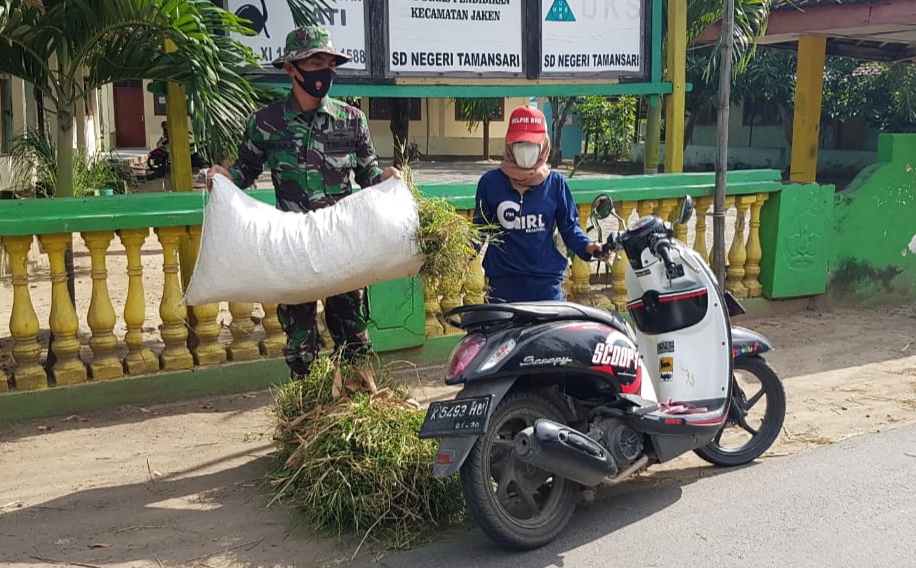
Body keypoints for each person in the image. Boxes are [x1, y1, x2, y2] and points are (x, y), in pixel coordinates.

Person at [208, 26, 399, 380]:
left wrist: (385, 179)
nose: (324, 70)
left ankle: (354, 409)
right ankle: (308, 411)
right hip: (293, 250)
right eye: (315, 61)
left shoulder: (352, 120)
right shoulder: (266, 124)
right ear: (291, 69)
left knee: (353, 339)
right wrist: (226, 177)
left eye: (329, 62)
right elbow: (245, 171)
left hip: (342, 247)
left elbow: (368, 174)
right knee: (301, 345)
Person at [473, 105, 605, 304]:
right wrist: (458, 254)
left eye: (532, 144)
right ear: (509, 145)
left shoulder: (555, 184)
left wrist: (588, 246)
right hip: (503, 286)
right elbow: (479, 231)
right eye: (520, 144)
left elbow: (569, 228)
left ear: (543, 145)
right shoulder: (490, 184)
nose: (525, 151)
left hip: (545, 286)